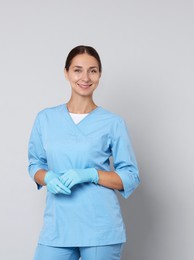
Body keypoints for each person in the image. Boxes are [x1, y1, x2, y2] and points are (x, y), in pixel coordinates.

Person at [27, 45, 140, 260]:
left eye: (93, 70)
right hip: (58, 225)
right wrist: (48, 176)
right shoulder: (46, 119)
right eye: (78, 70)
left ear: (99, 74)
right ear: (66, 72)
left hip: (100, 228)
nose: (85, 77)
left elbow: (131, 176)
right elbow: (35, 165)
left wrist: (91, 174)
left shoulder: (112, 123)